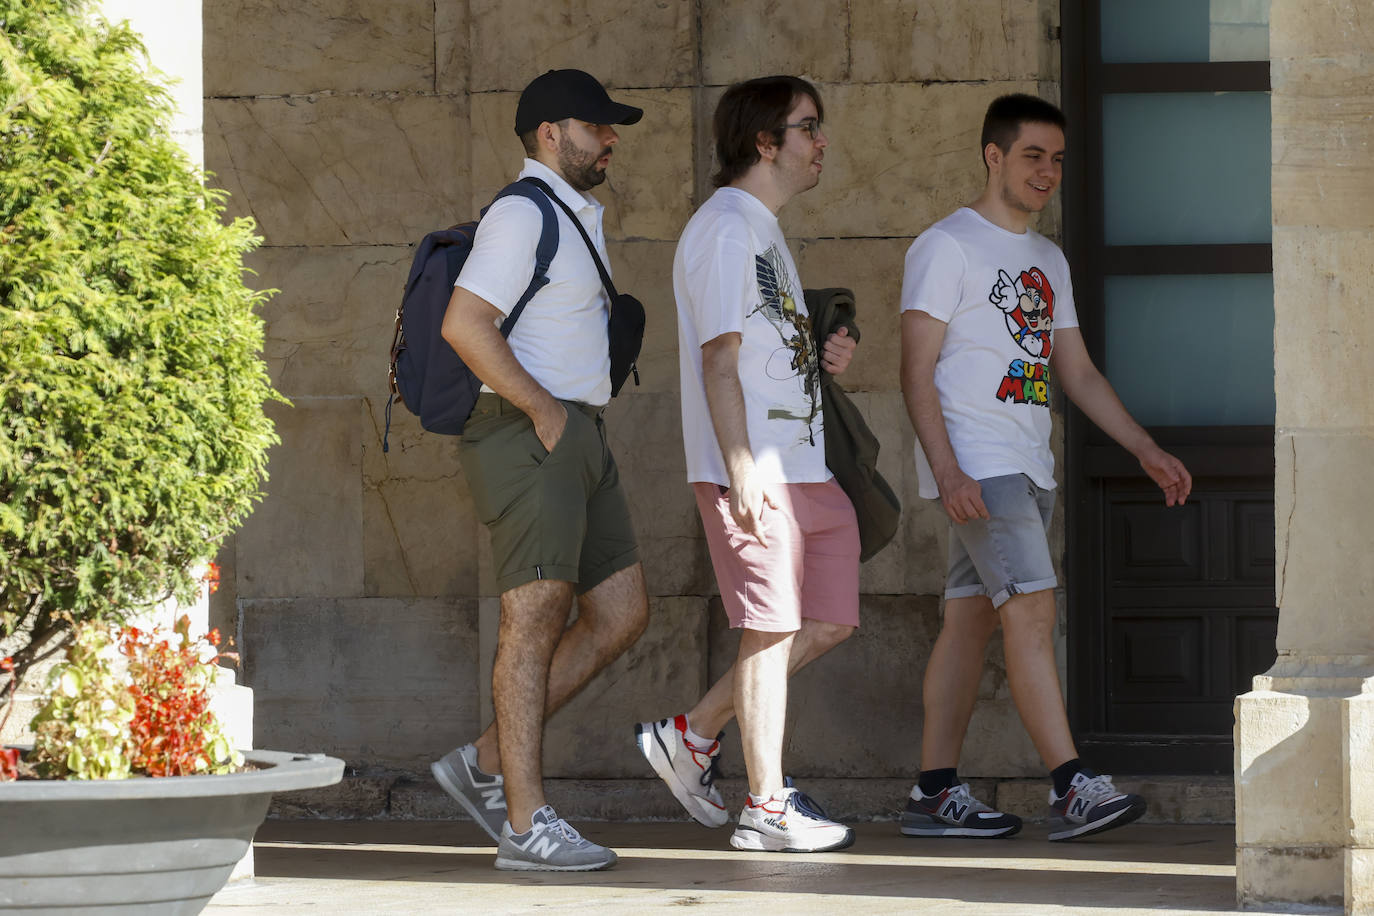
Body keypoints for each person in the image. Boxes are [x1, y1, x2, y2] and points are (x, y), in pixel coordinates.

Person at [898, 93, 1193, 843]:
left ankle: (934, 791)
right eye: (1033, 155)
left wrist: (1144, 448)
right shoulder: (946, 247)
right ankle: (1071, 786)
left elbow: (1079, 373)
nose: (1048, 172)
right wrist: (949, 470)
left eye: (1057, 159)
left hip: (1031, 466)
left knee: (968, 624)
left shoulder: (1046, 258)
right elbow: (914, 369)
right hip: (980, 465)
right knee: (1032, 612)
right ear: (993, 156)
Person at [431, 69, 649, 872]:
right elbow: (465, 323)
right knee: (533, 623)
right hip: (532, 433)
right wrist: (544, 410)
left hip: (577, 434)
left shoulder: (571, 212)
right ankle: (526, 826)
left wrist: (570, 420)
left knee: (622, 612)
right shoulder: (524, 214)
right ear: (552, 133)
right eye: (597, 126)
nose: (611, 138)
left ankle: (484, 759)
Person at [637, 75, 860, 853]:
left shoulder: (760, 227)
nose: (821, 141)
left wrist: (822, 352)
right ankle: (765, 808)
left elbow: (761, 350)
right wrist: (740, 467)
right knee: (769, 629)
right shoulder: (728, 228)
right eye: (807, 128)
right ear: (765, 143)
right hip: (757, 465)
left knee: (827, 618)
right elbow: (719, 361)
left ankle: (694, 733)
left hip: (802, 463)